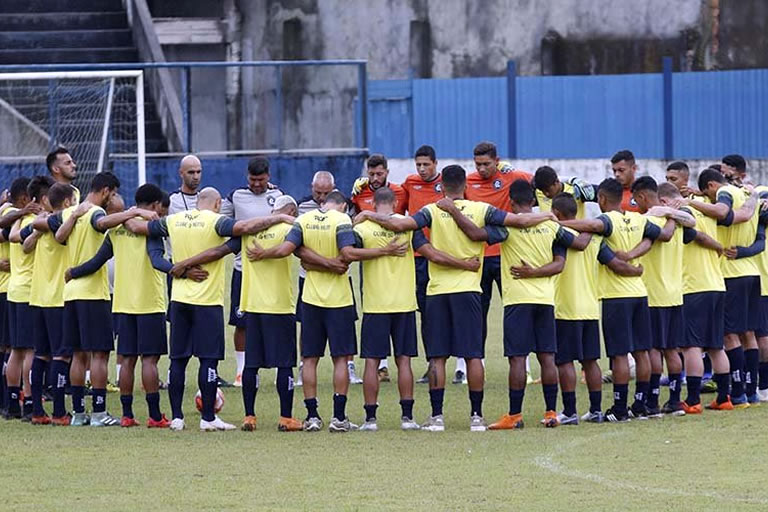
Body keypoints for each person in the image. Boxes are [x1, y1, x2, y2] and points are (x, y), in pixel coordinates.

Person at [357, 165, 553, 432]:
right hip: (470, 290)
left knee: (437, 357)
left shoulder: (432, 210)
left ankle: (437, 417)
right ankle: (476, 417)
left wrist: (367, 212)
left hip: (438, 291)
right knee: (473, 355)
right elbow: (519, 221)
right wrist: (550, 216)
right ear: (466, 186)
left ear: (442, 187)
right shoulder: (481, 210)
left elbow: (401, 223)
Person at [126, 187, 291, 432]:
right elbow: (245, 228)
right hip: (207, 301)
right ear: (216, 204)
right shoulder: (216, 221)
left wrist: (132, 212)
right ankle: (207, 418)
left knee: (178, 360)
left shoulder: (173, 220)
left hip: (179, 298)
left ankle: (178, 417)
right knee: (208, 360)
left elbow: (137, 228)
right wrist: (279, 217)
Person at [437, 180, 592, 429]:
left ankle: (515, 415)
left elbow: (475, 234)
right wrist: (594, 223)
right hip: (545, 300)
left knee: (518, 360)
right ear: (533, 201)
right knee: (547, 358)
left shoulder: (507, 227)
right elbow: (572, 252)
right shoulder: (551, 226)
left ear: (510, 201)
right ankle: (551, 412)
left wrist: (454, 211)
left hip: (517, 300)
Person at [171, 195, 303, 432]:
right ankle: (285, 417)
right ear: (291, 210)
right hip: (280, 305)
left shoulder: (248, 233)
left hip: (251, 305)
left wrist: (185, 264)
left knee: (251, 364)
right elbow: (296, 252)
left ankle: (249, 417)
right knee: (284, 364)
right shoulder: (289, 228)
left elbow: (219, 250)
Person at [353, 187, 481, 431]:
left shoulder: (362, 227)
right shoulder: (408, 227)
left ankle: (370, 419)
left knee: (371, 361)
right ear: (396, 202)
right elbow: (432, 254)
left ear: (373, 202)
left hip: (375, 303)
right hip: (404, 304)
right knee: (404, 361)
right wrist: (463, 264)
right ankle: (407, 418)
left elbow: (347, 254)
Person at [247, 191, 370, 432]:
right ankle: (338, 417)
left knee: (309, 359)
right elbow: (346, 257)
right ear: (343, 206)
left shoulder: (304, 220)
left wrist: (263, 253)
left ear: (323, 204)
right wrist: (331, 263)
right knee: (341, 358)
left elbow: (289, 250)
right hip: (339, 299)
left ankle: (312, 416)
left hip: (311, 298)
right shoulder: (342, 221)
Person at [65, 184, 182, 428]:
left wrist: (74, 271)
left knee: (126, 360)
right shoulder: (150, 229)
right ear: (154, 206)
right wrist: (178, 269)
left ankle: (127, 415)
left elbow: (97, 261)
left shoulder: (117, 228)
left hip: (121, 304)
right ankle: (154, 415)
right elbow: (156, 259)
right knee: (149, 361)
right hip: (149, 304)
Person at [560, 178, 673, 422]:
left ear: (601, 198)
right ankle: (641, 404)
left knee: (619, 355)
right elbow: (662, 235)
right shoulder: (638, 218)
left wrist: (556, 222)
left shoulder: (606, 221)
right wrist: (636, 254)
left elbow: (590, 225)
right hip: (639, 293)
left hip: (616, 296)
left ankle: (620, 409)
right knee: (642, 351)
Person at [48, 172, 151, 427]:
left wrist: (72, 215)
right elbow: (103, 223)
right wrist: (133, 212)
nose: (114, 198)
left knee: (78, 355)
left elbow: (59, 237)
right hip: (92, 294)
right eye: (114, 194)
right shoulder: (95, 213)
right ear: (106, 191)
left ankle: (79, 413)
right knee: (99, 355)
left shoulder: (76, 214)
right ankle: (99, 413)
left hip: (70, 293)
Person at [550, 193, 642, 424]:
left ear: (558, 214)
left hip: (565, 306)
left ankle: (570, 411)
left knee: (564, 361)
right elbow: (616, 264)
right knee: (591, 361)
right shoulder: (594, 238)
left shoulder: (558, 236)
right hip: (590, 307)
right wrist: (636, 271)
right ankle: (595, 409)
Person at [680, 169, 760, 407]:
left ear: (712, 185)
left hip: (728, 272)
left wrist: (687, 201)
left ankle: (737, 393)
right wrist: (754, 194)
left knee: (726, 337)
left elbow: (722, 211)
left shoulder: (720, 197)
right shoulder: (747, 198)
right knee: (745, 336)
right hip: (750, 272)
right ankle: (748, 390)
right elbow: (745, 216)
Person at [657, 183, 732, 413]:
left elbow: (695, 235)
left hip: (693, 286)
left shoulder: (683, 214)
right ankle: (723, 397)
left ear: (664, 201)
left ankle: (692, 400)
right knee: (716, 346)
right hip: (716, 284)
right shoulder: (706, 209)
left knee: (691, 346)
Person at [463, 141, 532, 385]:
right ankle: (474, 363)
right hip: (479, 257)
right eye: (478, 164)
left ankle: (526, 366)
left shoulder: (513, 176)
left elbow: (539, 184)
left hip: (506, 255)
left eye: (486, 164)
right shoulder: (468, 182)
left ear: (497, 160)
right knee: (476, 313)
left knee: (515, 310)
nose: (481, 169)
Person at [630, 177, 696, 416]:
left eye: (636, 199)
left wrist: (663, 211)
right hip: (675, 293)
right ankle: (676, 401)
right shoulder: (677, 222)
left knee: (654, 350)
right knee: (672, 349)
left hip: (653, 293)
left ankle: (652, 402)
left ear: (643, 197)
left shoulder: (648, 219)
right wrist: (671, 212)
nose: (635, 204)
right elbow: (691, 221)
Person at [220, 157, 283, 387]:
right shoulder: (235, 196)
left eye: (261, 179)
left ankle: (278, 366)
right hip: (243, 268)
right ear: (247, 176)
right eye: (252, 179)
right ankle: (241, 370)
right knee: (242, 321)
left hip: (270, 269)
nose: (256, 184)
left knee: (274, 318)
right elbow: (219, 223)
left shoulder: (278, 196)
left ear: (269, 176)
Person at [296, 171, 362, 386]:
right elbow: (299, 249)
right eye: (318, 192)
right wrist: (330, 264)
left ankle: (350, 368)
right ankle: (303, 369)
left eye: (326, 193)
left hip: (329, 281)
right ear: (311, 188)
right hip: (311, 281)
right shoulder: (302, 208)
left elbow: (298, 251)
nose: (322, 198)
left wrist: (317, 262)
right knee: (307, 332)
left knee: (340, 342)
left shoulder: (346, 209)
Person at [349, 154, 408, 381]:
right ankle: (381, 365)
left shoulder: (400, 192)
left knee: (397, 306)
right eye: (371, 173)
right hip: (371, 261)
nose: (374, 178)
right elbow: (352, 220)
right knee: (372, 304)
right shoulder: (359, 193)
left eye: (379, 173)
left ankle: (394, 362)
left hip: (399, 258)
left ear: (387, 172)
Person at [27, 183, 77, 425]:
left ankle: (37, 410)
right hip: (58, 298)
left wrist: (37, 228)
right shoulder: (66, 224)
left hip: (37, 297)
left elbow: (24, 240)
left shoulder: (42, 222)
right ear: (67, 203)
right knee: (62, 356)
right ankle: (59, 411)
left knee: (41, 355)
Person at [400, 145, 443, 384]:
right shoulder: (410, 183)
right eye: (419, 165)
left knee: (440, 312)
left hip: (442, 255)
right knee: (424, 313)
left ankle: (459, 364)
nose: (422, 169)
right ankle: (432, 364)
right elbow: (397, 204)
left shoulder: (447, 184)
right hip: (416, 258)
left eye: (426, 164)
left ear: (436, 163)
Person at [3, 177, 43, 420]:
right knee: (30, 350)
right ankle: (28, 402)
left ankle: (10, 403)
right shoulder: (33, 222)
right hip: (29, 290)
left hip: (14, 289)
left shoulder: (16, 222)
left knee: (16, 350)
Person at [17, 176, 56, 425]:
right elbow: (19, 239)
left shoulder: (36, 222)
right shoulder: (38, 221)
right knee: (36, 352)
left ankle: (31, 404)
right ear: (44, 199)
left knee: (34, 353)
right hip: (39, 294)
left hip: (35, 293)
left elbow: (22, 240)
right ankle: (35, 403)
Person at [532, 165, 597, 218]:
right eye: (542, 191)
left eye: (547, 190)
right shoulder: (539, 193)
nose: (546, 194)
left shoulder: (576, 191)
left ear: (556, 182)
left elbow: (602, 192)